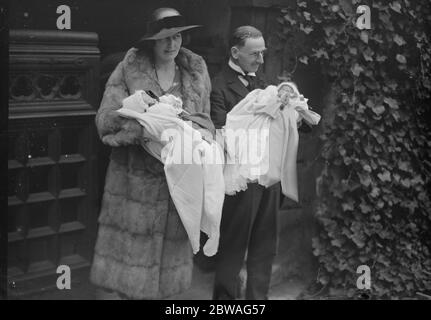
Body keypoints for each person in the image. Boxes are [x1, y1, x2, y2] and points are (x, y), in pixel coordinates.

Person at [90, 7, 212, 300]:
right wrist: (143, 127)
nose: (171, 45)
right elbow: (105, 120)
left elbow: (205, 120)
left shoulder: (195, 73)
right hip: (135, 184)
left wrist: (194, 134)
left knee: (167, 281)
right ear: (151, 42)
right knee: (130, 274)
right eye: (163, 38)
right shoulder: (129, 69)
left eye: (177, 37)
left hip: (178, 184)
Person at [210, 25, 281, 300]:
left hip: (269, 177)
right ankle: (224, 304)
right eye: (255, 54)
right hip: (241, 180)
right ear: (235, 52)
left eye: (263, 53)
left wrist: (295, 112)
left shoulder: (264, 83)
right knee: (233, 248)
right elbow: (219, 134)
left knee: (265, 248)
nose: (261, 60)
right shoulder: (219, 86)